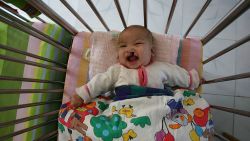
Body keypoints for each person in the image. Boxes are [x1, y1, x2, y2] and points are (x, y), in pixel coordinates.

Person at [71, 25, 200, 108]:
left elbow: (177, 74)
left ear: (152, 52)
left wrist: (192, 79)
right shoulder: (117, 71)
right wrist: (82, 94)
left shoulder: (161, 67)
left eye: (137, 43)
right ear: (117, 55)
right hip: (125, 112)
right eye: (123, 46)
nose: (130, 49)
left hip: (158, 108)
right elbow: (99, 82)